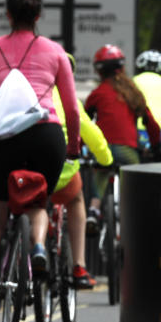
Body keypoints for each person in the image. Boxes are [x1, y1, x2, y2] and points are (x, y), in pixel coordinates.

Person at [0, 0, 79, 322]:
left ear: (8, 15)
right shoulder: (55, 52)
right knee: (38, 202)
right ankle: (38, 246)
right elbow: (70, 109)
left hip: (6, 137)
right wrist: (73, 147)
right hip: (46, 134)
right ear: (38, 16)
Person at [84, 44, 161, 232]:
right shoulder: (132, 93)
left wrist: (79, 147)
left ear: (99, 70)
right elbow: (151, 123)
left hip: (103, 149)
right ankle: (134, 216)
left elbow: (84, 122)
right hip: (127, 150)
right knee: (133, 185)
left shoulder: (98, 93)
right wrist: (156, 147)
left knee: (102, 172)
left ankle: (94, 210)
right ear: (121, 67)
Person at [51, 53, 113, 289]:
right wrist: (105, 160)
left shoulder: (31, 96)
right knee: (76, 200)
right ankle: (78, 265)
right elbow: (93, 136)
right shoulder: (71, 102)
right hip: (63, 170)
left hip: (29, 166)